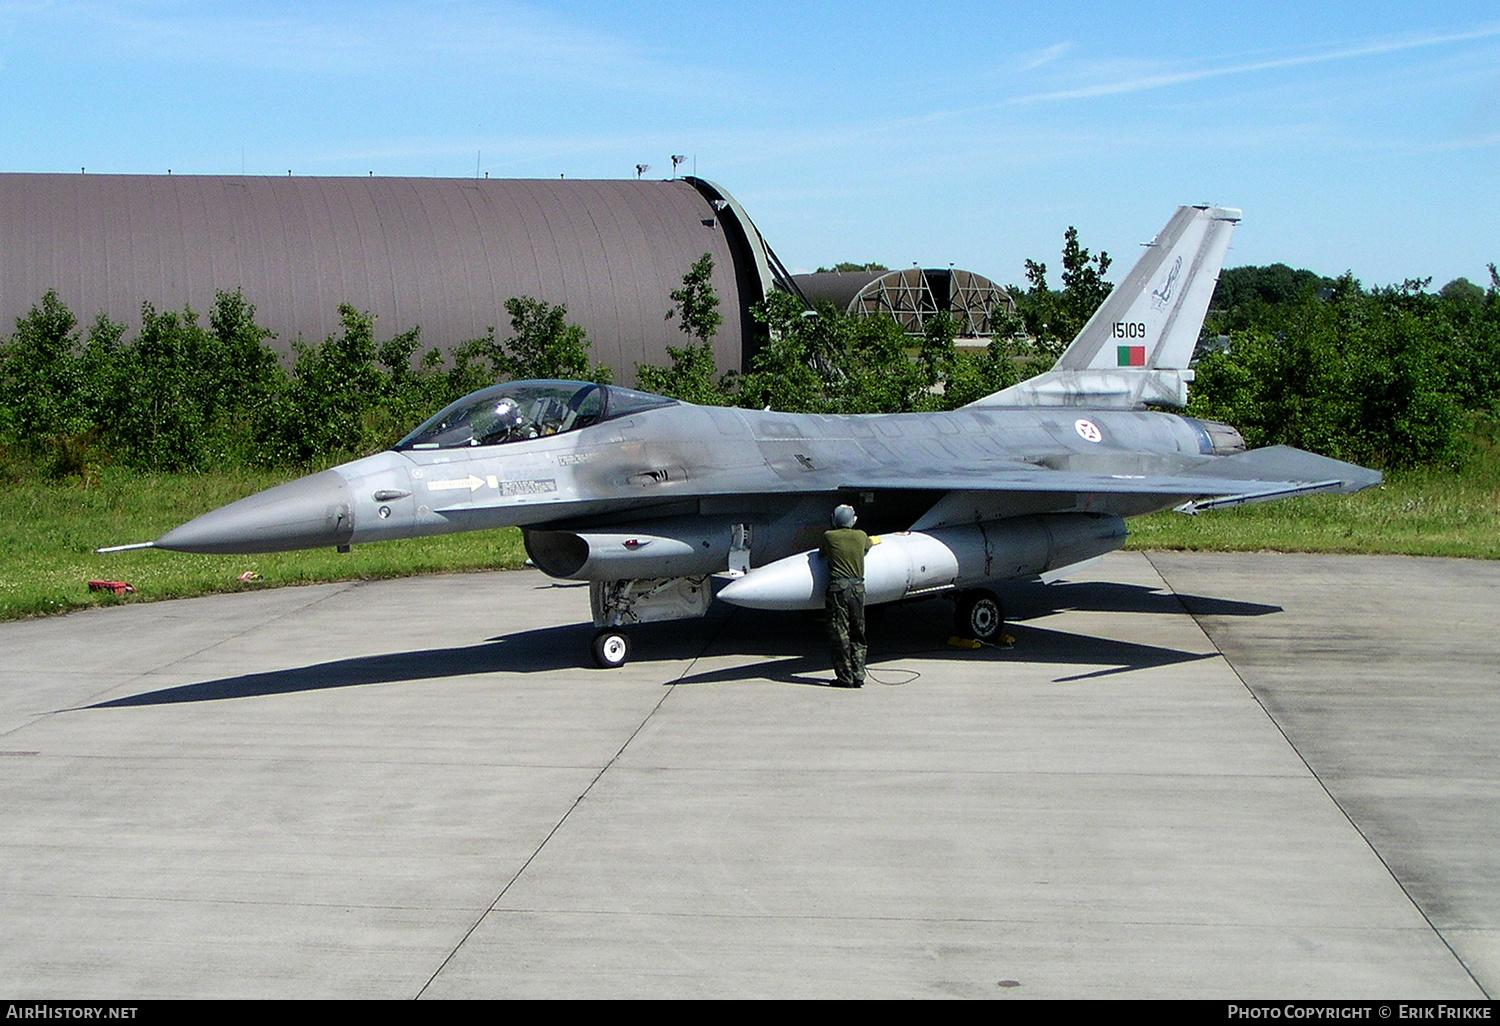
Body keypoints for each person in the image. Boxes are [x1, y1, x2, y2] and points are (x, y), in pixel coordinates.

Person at [820, 504, 878, 688]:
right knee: (858, 632)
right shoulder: (861, 535)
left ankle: (845, 677)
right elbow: (868, 547)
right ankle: (859, 675)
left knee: (840, 634)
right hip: (858, 589)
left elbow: (822, 554)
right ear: (853, 520)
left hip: (838, 589)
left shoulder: (829, 536)